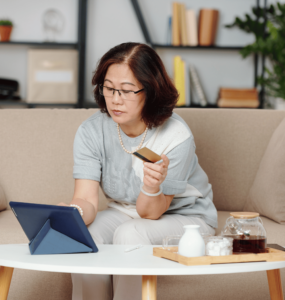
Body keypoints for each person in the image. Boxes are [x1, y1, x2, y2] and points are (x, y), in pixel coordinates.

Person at [59, 42, 218, 300]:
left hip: (187, 218)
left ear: (151, 91)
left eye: (127, 91)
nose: (115, 99)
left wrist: (151, 187)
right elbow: (87, 198)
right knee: (86, 233)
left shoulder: (176, 136)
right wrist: (72, 213)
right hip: (125, 212)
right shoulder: (91, 131)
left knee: (130, 234)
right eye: (108, 88)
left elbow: (151, 212)